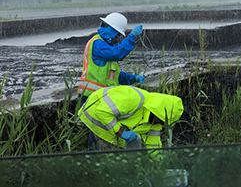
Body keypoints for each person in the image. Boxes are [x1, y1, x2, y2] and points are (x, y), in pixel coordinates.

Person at [77, 12, 145, 149]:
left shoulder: (106, 49)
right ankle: (95, 162)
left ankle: (99, 160)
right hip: (91, 97)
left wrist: (132, 78)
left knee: (101, 133)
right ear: (111, 30)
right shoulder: (97, 44)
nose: (117, 39)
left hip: (100, 97)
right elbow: (117, 54)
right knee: (99, 133)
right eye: (117, 35)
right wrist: (131, 37)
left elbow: (114, 75)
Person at [78, 85, 184, 151]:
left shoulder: (154, 122)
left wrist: (160, 165)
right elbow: (102, 112)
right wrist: (121, 133)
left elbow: (154, 145)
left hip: (111, 118)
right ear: (158, 112)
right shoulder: (133, 99)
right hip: (94, 111)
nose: (161, 124)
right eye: (162, 121)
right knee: (106, 154)